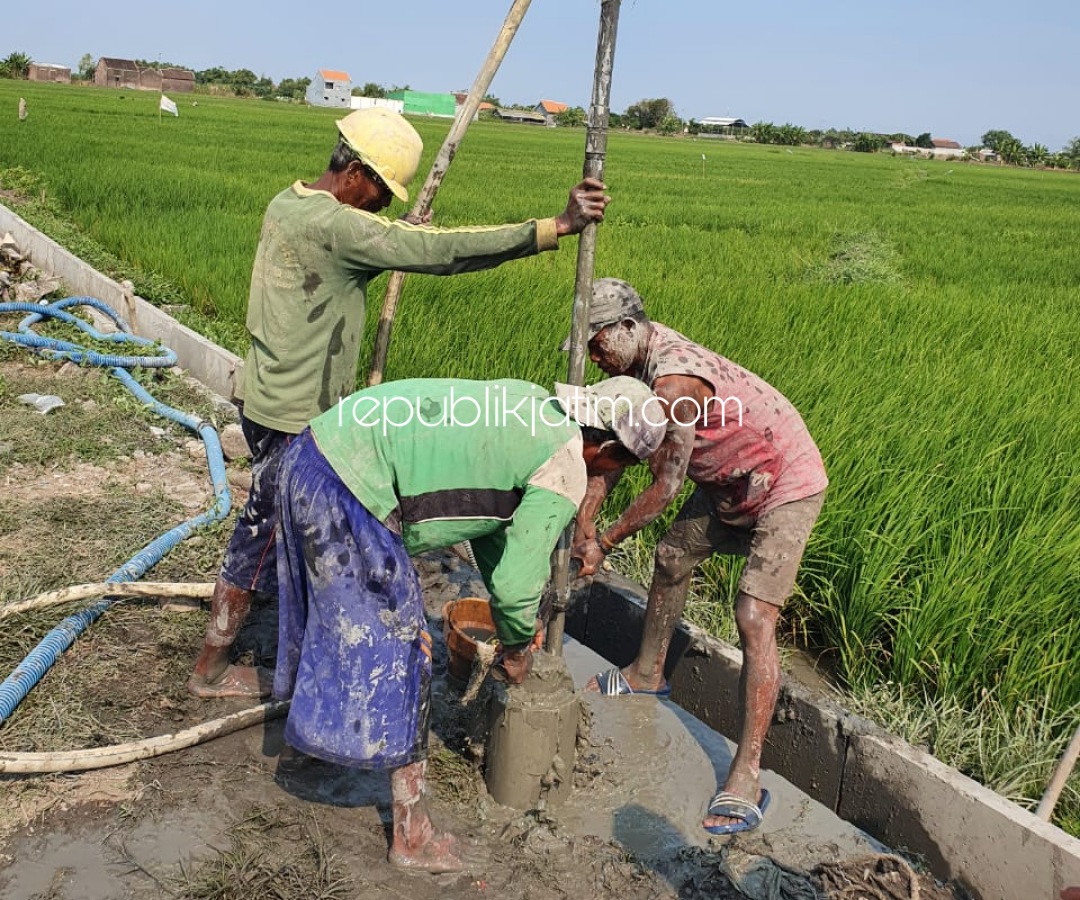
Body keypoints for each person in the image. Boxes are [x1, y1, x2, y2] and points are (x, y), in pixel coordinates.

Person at [187, 107, 611, 698]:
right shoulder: (344, 228)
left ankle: (297, 648)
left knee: (288, 533)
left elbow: (379, 243)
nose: (385, 202)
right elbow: (444, 253)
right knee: (262, 539)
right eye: (383, 189)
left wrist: (396, 233)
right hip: (294, 419)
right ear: (355, 172)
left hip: (262, 399)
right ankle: (213, 668)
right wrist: (552, 228)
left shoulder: (290, 203)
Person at [271, 376, 663, 872]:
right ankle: (412, 835)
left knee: (334, 620)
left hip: (317, 449)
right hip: (352, 487)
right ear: (606, 449)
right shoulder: (564, 467)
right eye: (621, 466)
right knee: (407, 650)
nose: (614, 475)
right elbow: (519, 586)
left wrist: (511, 616)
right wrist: (518, 648)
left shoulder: (529, 402)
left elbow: (489, 519)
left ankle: (313, 746)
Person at [566, 278, 828, 837]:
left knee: (754, 616)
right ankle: (646, 672)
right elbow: (609, 461)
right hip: (728, 481)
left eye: (597, 343)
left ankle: (746, 774)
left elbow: (663, 486)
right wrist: (583, 527)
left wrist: (606, 543)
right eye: (586, 348)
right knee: (672, 556)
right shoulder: (627, 376)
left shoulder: (675, 381)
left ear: (630, 329)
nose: (593, 357)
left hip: (783, 479)